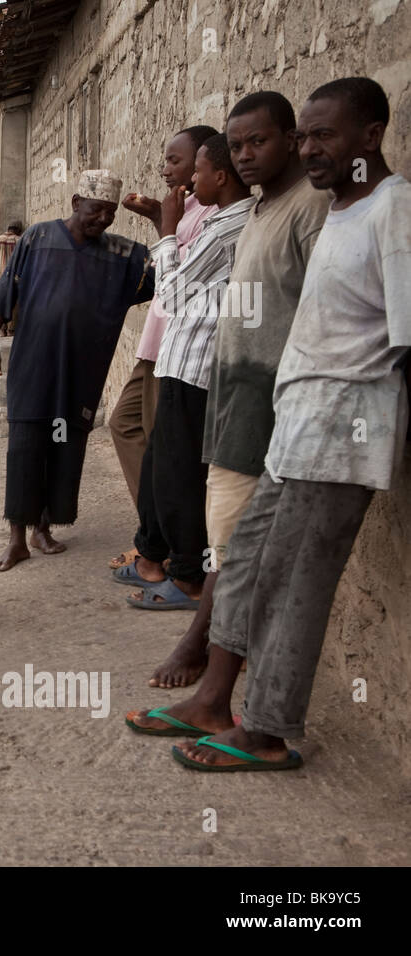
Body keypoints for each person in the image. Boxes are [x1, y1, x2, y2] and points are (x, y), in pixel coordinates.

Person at [134, 78, 409, 771]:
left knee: (298, 581)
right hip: (295, 429)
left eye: (326, 135)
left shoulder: (392, 209)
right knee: (249, 561)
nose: (312, 149)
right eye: (307, 136)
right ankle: (216, 701)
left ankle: (269, 730)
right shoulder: (340, 211)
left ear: (370, 136)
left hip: (343, 434)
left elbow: (404, 337)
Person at [129, 91, 329, 692]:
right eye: (235, 146)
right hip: (223, 378)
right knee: (220, 518)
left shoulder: (298, 210)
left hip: (252, 387)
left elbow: (179, 290)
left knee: (227, 527)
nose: (243, 156)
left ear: (290, 141)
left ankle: (214, 666)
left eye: (256, 142)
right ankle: (214, 668)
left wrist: (163, 230)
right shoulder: (263, 210)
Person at [0, 170, 155, 572]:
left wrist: (159, 217)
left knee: (65, 447)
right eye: (96, 211)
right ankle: (17, 538)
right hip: (33, 364)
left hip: (80, 370)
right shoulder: (37, 239)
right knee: (25, 446)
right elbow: (6, 290)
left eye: (110, 214)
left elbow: (166, 269)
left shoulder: (118, 254)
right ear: (76, 203)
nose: (103, 220)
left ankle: (44, 527)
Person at [121, 134, 253, 615]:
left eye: (196, 171)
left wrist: (169, 230)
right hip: (183, 359)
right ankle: (166, 563)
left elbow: (172, 297)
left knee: (180, 476)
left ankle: (188, 577)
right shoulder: (223, 220)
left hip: (196, 363)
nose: (190, 180)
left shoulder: (224, 228)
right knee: (165, 467)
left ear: (219, 176)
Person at [108, 126, 219, 568]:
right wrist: (161, 219)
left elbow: (181, 286)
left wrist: (167, 227)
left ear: (203, 165)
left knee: (162, 447)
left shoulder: (212, 215)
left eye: (175, 160)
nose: (165, 169)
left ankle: (166, 546)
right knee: (125, 425)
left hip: (179, 349)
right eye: (165, 160)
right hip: (156, 344)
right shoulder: (185, 207)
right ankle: (154, 530)